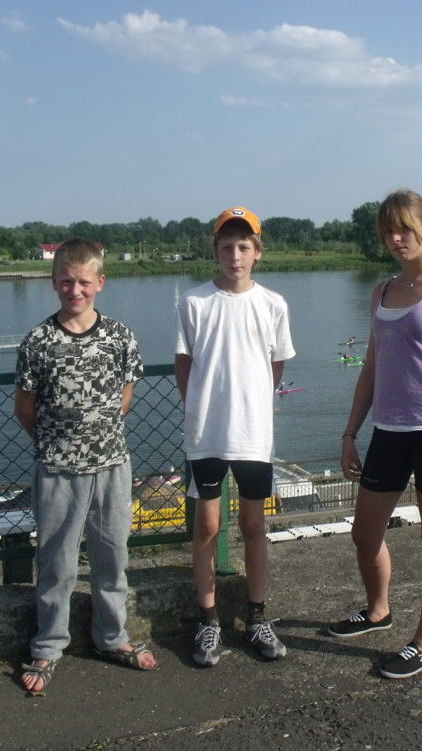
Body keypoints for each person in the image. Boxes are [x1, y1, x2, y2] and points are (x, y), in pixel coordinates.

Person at [329, 189, 422, 679]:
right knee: (364, 533)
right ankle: (378, 611)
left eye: (403, 229)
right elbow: (371, 368)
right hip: (388, 433)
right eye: (387, 232)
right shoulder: (382, 292)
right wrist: (350, 433)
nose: (395, 239)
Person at [15, 238, 156, 697]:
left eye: (83, 282)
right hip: (57, 469)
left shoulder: (120, 336)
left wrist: (98, 437)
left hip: (112, 466)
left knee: (112, 557)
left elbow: (125, 396)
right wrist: (57, 443)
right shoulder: (38, 341)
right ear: (53, 283)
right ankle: (48, 646)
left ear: (99, 282)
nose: (74, 291)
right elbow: (24, 407)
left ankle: (112, 637)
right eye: (66, 282)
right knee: (56, 563)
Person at [175, 206, 296, 667]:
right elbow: (184, 365)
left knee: (253, 525)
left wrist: (253, 404)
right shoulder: (194, 302)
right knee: (207, 526)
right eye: (227, 247)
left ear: (257, 252)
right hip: (206, 434)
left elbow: (275, 365)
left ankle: (257, 616)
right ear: (215, 252)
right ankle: (208, 621)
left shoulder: (273, 304)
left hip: (253, 436)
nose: (235, 256)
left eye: (244, 247)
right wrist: (203, 407)